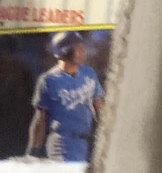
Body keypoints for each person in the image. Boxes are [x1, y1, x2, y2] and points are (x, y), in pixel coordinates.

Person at [27, 31, 104, 162]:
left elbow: (99, 107)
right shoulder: (49, 80)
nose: (83, 51)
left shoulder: (89, 73)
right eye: (78, 48)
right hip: (61, 142)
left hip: (85, 141)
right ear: (65, 51)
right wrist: (33, 150)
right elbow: (40, 119)